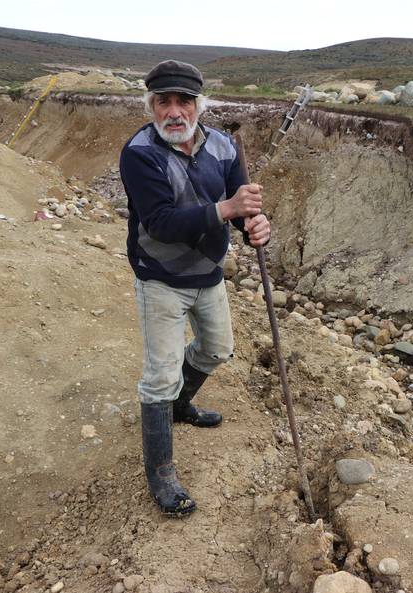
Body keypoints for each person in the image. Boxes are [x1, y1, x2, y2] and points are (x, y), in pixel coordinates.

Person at [119, 60, 270, 516]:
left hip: (208, 273)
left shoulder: (223, 146)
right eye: (162, 102)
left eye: (183, 101)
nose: (174, 111)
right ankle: (161, 473)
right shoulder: (140, 153)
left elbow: (241, 208)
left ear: (199, 105)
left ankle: (180, 405)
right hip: (160, 277)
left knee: (216, 350)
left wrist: (255, 226)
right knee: (160, 376)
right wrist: (227, 210)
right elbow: (161, 223)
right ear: (150, 106)